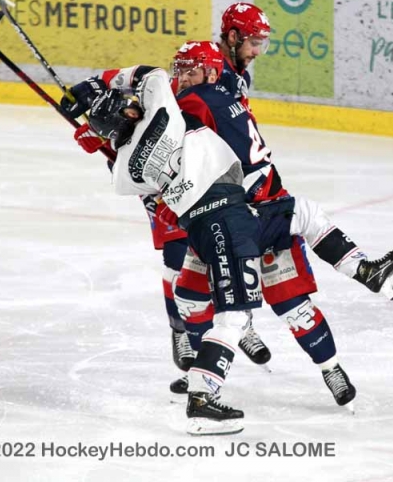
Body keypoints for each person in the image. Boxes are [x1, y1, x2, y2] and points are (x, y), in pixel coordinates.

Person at [169, 39, 393, 407]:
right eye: (181, 71)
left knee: (292, 307)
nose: (183, 78)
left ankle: (331, 367)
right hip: (232, 211)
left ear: (210, 72)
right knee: (189, 296)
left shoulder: (196, 100)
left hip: (251, 209)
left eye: (190, 70)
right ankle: (201, 373)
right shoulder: (226, 93)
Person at [67, 66, 267, 435]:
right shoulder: (162, 108)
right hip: (225, 214)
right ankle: (202, 400)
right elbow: (153, 74)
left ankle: (201, 390)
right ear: (128, 111)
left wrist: (105, 142)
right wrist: (99, 82)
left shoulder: (123, 175)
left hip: (197, 226)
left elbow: (129, 170)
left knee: (226, 309)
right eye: (127, 105)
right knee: (234, 315)